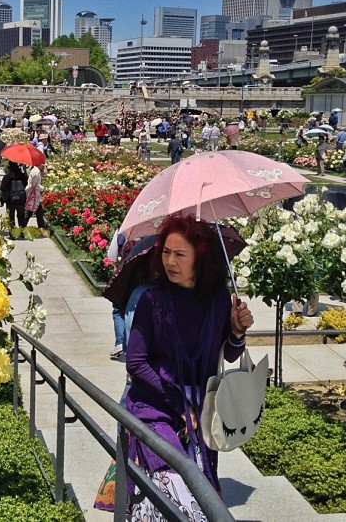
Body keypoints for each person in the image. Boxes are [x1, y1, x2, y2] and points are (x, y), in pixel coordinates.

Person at [125, 215, 254, 519]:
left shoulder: (219, 300)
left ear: (200, 257)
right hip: (156, 405)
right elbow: (136, 362)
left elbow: (230, 355)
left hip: (201, 412)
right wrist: (178, 403)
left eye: (180, 254)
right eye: (166, 252)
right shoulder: (152, 300)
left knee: (200, 489)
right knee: (175, 487)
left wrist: (237, 332)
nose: (170, 261)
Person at [25, 163, 47, 229]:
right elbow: (34, 185)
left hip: (34, 195)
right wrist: (43, 188)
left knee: (38, 211)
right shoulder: (36, 172)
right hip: (33, 195)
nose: (44, 167)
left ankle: (41, 227)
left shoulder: (36, 170)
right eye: (43, 165)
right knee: (30, 212)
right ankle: (22, 226)